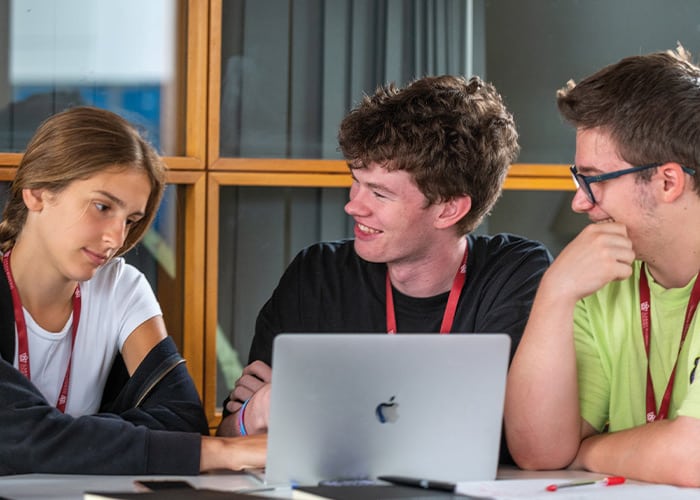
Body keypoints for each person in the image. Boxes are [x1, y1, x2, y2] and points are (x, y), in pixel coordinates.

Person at [217, 74, 553, 457]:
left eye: (379, 193)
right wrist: (254, 414)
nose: (353, 205)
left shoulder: (515, 273)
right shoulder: (317, 273)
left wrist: (319, 408)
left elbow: (497, 434)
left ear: (448, 209)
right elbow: (231, 437)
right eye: (356, 182)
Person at [0, 106, 265, 475]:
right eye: (102, 206)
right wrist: (223, 452)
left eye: (130, 220)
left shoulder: (122, 286)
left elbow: (183, 422)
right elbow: (17, 439)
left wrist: (61, 441)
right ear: (37, 193)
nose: (116, 238)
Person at [504, 45, 700, 487]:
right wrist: (555, 292)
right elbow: (538, 452)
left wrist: (588, 450)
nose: (579, 201)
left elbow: (694, 457)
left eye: (593, 180)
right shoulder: (602, 279)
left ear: (667, 180)